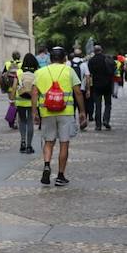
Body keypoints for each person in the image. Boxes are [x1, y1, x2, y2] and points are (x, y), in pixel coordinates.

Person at [32, 46, 87, 186]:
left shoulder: (39, 72)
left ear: (50, 59)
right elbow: (78, 92)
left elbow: (34, 93)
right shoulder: (69, 71)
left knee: (49, 142)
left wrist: (34, 112)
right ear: (64, 58)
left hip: (46, 112)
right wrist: (82, 111)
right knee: (64, 143)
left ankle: (46, 164)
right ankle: (60, 176)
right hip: (66, 112)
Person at [9, 53, 39, 153]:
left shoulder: (19, 72)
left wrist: (12, 100)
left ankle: (22, 142)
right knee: (30, 122)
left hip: (20, 101)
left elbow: (14, 87)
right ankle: (29, 146)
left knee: (22, 121)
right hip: (32, 101)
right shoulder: (37, 72)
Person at [87, 45, 114, 130]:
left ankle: (98, 125)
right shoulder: (107, 58)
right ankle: (106, 119)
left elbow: (90, 73)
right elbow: (113, 69)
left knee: (97, 105)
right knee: (108, 104)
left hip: (96, 85)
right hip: (107, 84)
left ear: (94, 51)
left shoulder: (91, 61)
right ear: (101, 50)